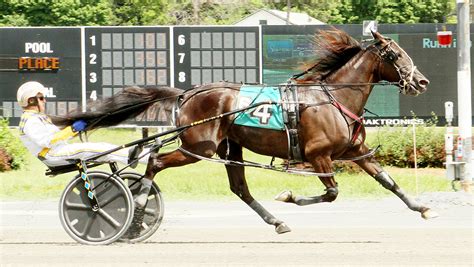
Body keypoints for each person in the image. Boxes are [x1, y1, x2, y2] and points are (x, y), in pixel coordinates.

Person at [17, 81, 149, 167]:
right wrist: (72, 129)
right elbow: (47, 141)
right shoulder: (30, 121)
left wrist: (74, 130)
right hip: (52, 155)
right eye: (41, 98)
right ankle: (142, 158)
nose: (44, 101)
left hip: (57, 150)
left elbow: (57, 136)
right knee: (95, 148)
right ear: (31, 101)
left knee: (101, 147)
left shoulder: (37, 118)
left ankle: (143, 155)